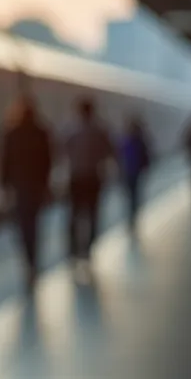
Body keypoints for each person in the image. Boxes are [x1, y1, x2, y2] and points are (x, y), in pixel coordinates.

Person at [0, 95, 53, 293]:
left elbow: (3, 162)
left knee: (22, 226)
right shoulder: (42, 132)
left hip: (19, 188)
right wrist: (46, 186)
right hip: (35, 188)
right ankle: (33, 261)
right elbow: (48, 162)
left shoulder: (11, 133)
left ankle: (28, 262)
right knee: (34, 226)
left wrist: (3, 187)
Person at [62, 97, 116, 270]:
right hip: (94, 178)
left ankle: (73, 249)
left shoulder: (71, 129)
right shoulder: (101, 130)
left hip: (76, 178)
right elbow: (110, 151)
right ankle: (88, 248)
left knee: (74, 215)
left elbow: (62, 151)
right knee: (93, 215)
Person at [118, 115, 153, 235]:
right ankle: (133, 217)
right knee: (134, 195)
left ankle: (132, 218)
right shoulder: (140, 141)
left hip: (130, 171)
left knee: (131, 196)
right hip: (135, 172)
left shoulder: (126, 140)